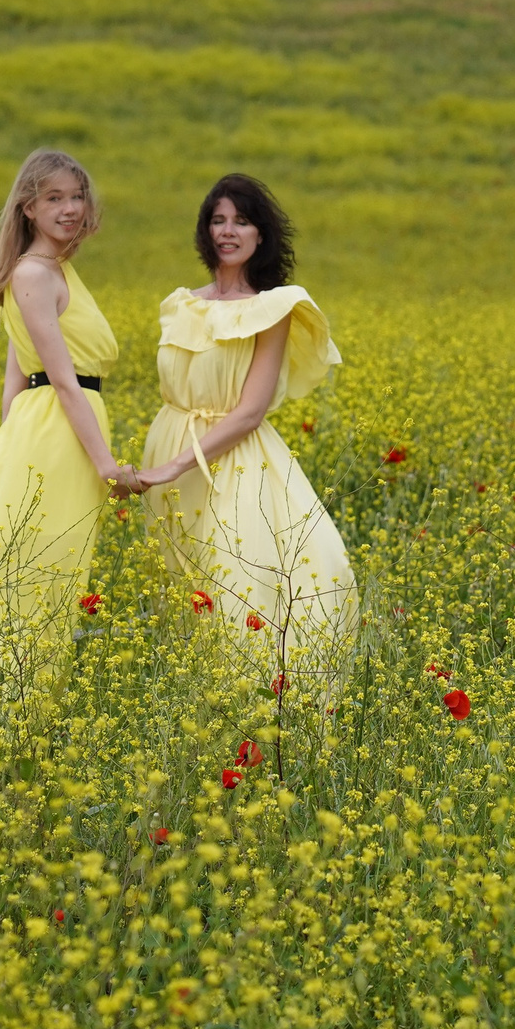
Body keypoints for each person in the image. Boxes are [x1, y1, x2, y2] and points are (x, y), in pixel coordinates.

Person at [0, 149, 138, 701]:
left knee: (48, 567)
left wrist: (7, 452)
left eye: (77, 197)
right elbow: (62, 381)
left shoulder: (53, 272)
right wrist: (108, 467)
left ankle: (17, 702)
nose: (70, 208)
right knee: (30, 561)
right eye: (54, 198)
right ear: (28, 208)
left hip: (50, 427)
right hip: (56, 431)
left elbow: (14, 383)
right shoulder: (33, 274)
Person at [130, 174, 356, 690]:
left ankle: (258, 703)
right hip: (170, 445)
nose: (228, 231)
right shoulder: (181, 303)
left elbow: (250, 411)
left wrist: (175, 466)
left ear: (261, 235)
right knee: (180, 589)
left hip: (229, 459)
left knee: (239, 581)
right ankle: (189, 702)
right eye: (218, 220)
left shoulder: (272, 308)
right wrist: (165, 463)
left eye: (242, 221)